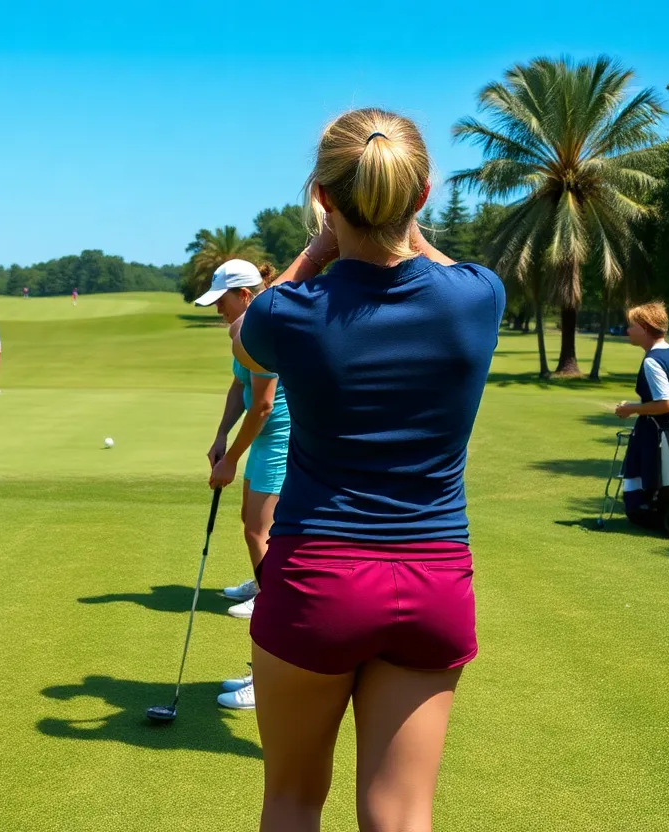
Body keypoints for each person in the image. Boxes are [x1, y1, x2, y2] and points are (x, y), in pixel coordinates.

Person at [233, 108, 504, 831]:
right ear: (420, 196)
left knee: (292, 798)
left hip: (319, 575)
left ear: (322, 196)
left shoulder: (290, 310)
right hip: (435, 580)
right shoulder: (479, 297)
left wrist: (319, 249)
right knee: (401, 815)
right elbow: (439, 270)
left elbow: (248, 334)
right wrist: (406, 229)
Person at [194, 259, 291, 711]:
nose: (219, 311)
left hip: (279, 439)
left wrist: (231, 459)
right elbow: (241, 390)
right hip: (262, 441)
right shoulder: (244, 331)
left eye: (223, 301)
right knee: (252, 525)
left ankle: (271, 669)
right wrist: (220, 436)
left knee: (260, 531)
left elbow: (265, 405)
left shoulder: (263, 328)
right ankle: (266, 592)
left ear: (246, 295)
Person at [615, 301, 669, 530]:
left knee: (637, 506)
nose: (628, 330)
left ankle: (649, 508)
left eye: (632, 326)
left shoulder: (653, 360)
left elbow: (666, 404)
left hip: (659, 431)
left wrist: (631, 409)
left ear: (645, 328)